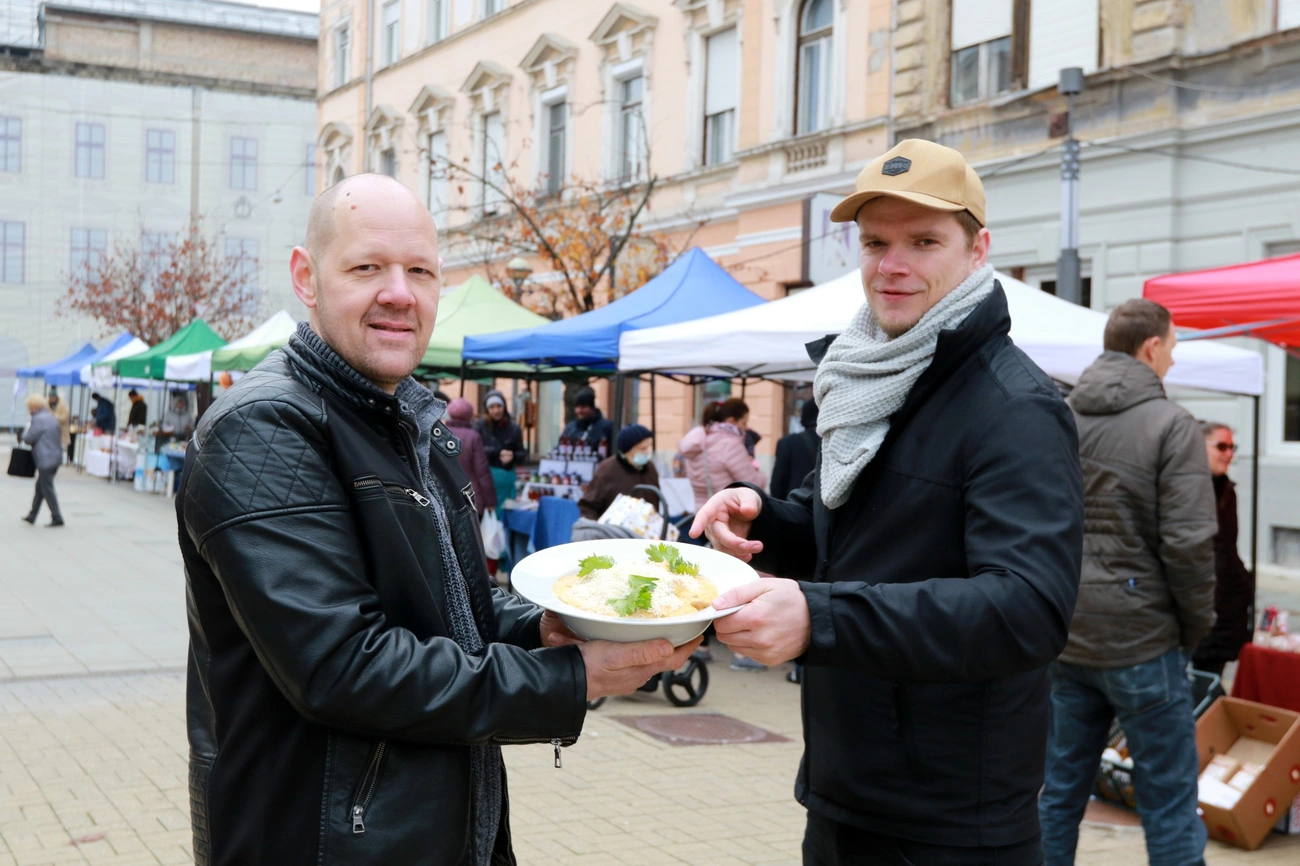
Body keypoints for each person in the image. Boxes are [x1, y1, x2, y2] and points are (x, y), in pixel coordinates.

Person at [176, 174, 700, 866]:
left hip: (439, 832)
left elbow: (448, 613)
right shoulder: (264, 427)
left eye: (419, 271)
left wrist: (547, 624)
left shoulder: (409, 419)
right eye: (367, 268)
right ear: (307, 277)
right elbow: (343, 666)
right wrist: (572, 679)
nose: (399, 292)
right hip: (323, 842)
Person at [690, 139, 1084, 865]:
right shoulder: (866, 375)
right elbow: (852, 536)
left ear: (977, 249)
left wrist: (821, 617)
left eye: (923, 241)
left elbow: (1028, 611)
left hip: (950, 823)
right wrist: (767, 520)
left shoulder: (1015, 407)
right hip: (845, 789)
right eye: (875, 242)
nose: (891, 265)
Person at [1039, 298, 1216, 866]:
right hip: (1143, 638)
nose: (1172, 360)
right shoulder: (1172, 424)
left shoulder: (1063, 415)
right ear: (1151, 347)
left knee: (1060, 792)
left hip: (1069, 631)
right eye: (1172, 349)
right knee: (1169, 802)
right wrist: (1193, 628)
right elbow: (1189, 544)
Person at [1191, 422, 1254, 678]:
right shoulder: (1184, 490)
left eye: (1232, 447)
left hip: (1227, 605)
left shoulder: (1227, 490)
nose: (1229, 453)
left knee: (1211, 680)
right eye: (1222, 446)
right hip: (1200, 605)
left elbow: (1227, 549)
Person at [678, 398, 766, 512]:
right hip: (726, 513)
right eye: (744, 422)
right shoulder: (730, 444)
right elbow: (754, 484)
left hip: (701, 512)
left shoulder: (701, 440)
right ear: (732, 421)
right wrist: (754, 466)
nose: (746, 428)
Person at [578, 423, 660, 521]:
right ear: (628, 451)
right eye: (643, 448)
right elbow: (588, 507)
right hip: (614, 532)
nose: (647, 452)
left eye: (649, 446)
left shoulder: (650, 468)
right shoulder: (607, 470)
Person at [475, 389, 527, 512]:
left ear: (504, 407)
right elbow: (477, 451)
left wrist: (512, 455)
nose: (496, 410)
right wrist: (498, 452)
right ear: (487, 409)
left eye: (499, 406)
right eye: (492, 407)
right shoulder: (480, 426)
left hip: (509, 477)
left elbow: (523, 454)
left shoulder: (514, 428)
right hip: (488, 479)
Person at [444, 397, 497, 516]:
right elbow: (482, 473)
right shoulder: (473, 437)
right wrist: (490, 502)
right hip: (470, 498)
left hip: (444, 496)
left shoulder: (440, 433)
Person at [22, 393, 66, 527]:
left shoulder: (38, 419)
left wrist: (23, 434)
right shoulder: (51, 417)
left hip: (45, 458)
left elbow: (29, 438)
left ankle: (57, 517)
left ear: (34, 407)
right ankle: (32, 515)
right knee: (40, 487)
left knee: (47, 488)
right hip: (55, 457)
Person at [770, 400, 820, 500]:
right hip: (824, 510)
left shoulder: (788, 442)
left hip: (794, 507)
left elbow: (777, 484)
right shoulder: (836, 443)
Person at [562, 387, 615, 456]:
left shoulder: (607, 427)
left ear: (591, 408)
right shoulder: (570, 429)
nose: (579, 411)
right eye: (577, 407)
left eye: (583, 407)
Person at [48, 389, 71, 464]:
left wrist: (55, 416)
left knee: (61, 446)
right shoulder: (46, 404)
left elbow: (65, 417)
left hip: (61, 429)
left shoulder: (63, 405)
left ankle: (61, 460)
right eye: (51, 397)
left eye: (53, 398)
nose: (52, 399)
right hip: (50, 429)